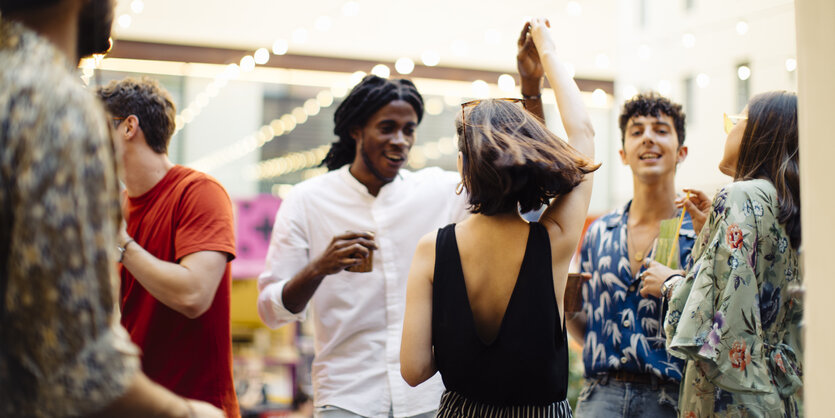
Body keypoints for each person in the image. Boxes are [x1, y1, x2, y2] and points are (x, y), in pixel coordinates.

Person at [0, 1, 222, 416]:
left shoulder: (197, 191)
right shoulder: (53, 102)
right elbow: (78, 361)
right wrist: (187, 414)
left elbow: (194, 293)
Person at [400, 18, 598, 417]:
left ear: (462, 168)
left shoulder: (432, 250)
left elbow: (414, 369)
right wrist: (547, 52)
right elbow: (584, 134)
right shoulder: (553, 239)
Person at [257, 74, 470, 418]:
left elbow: (523, 196)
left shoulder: (438, 191)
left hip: (426, 396)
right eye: (387, 127)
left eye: (408, 129)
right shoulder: (306, 201)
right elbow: (270, 310)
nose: (400, 140)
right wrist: (319, 268)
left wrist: (532, 90)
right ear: (357, 129)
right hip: (346, 396)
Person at [641, 91, 803, 417]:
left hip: (735, 395)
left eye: (735, 121)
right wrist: (712, 233)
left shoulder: (738, 194)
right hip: (782, 390)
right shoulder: (788, 200)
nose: (728, 130)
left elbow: (713, 326)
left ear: (760, 132)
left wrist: (670, 282)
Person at [97, 76, 239, 417]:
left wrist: (121, 243)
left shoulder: (199, 192)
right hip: (140, 403)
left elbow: (193, 295)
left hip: (200, 407)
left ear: (128, 127)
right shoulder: (116, 206)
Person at [562, 90, 696, 417]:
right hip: (601, 395)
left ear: (681, 151)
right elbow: (589, 327)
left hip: (670, 397)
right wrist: (565, 305)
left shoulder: (700, 230)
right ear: (623, 153)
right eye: (637, 132)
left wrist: (676, 283)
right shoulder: (599, 232)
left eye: (660, 130)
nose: (648, 139)